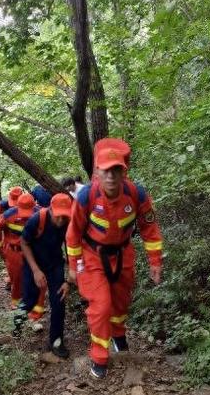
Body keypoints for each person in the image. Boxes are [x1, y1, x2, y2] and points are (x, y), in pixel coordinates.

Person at [65, 138, 162, 379]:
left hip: (122, 253)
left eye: (116, 170)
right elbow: (73, 234)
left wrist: (155, 261)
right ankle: (99, 355)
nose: (111, 176)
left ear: (124, 171)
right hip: (92, 255)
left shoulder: (136, 195)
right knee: (101, 305)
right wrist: (74, 267)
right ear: (97, 171)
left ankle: (118, 335)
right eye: (106, 170)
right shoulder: (86, 197)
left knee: (120, 302)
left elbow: (150, 230)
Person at [17, 193, 73, 358]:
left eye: (64, 216)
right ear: (50, 209)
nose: (61, 220)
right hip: (33, 263)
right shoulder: (37, 219)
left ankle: (56, 341)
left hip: (55, 264)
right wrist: (35, 270)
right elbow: (24, 242)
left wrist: (69, 279)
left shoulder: (68, 222)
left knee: (59, 302)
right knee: (29, 300)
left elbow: (71, 247)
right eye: (58, 216)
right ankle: (14, 326)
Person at [0, 193, 46, 314]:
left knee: (37, 278)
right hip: (14, 252)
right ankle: (17, 307)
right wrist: (1, 249)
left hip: (34, 251)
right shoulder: (8, 215)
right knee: (16, 280)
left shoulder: (41, 213)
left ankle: (35, 309)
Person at [0, 186, 23, 291]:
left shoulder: (26, 205)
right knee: (11, 260)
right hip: (8, 235)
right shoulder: (3, 204)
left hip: (23, 236)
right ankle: (11, 281)